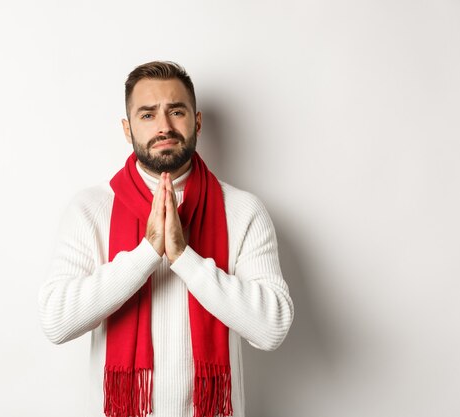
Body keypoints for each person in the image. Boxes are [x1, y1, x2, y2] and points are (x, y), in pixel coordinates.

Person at [38, 61, 294, 417]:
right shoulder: (90, 209)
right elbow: (56, 321)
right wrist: (147, 253)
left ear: (197, 122)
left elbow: (272, 328)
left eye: (176, 111)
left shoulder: (243, 210)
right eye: (147, 115)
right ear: (127, 129)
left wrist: (183, 257)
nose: (164, 127)